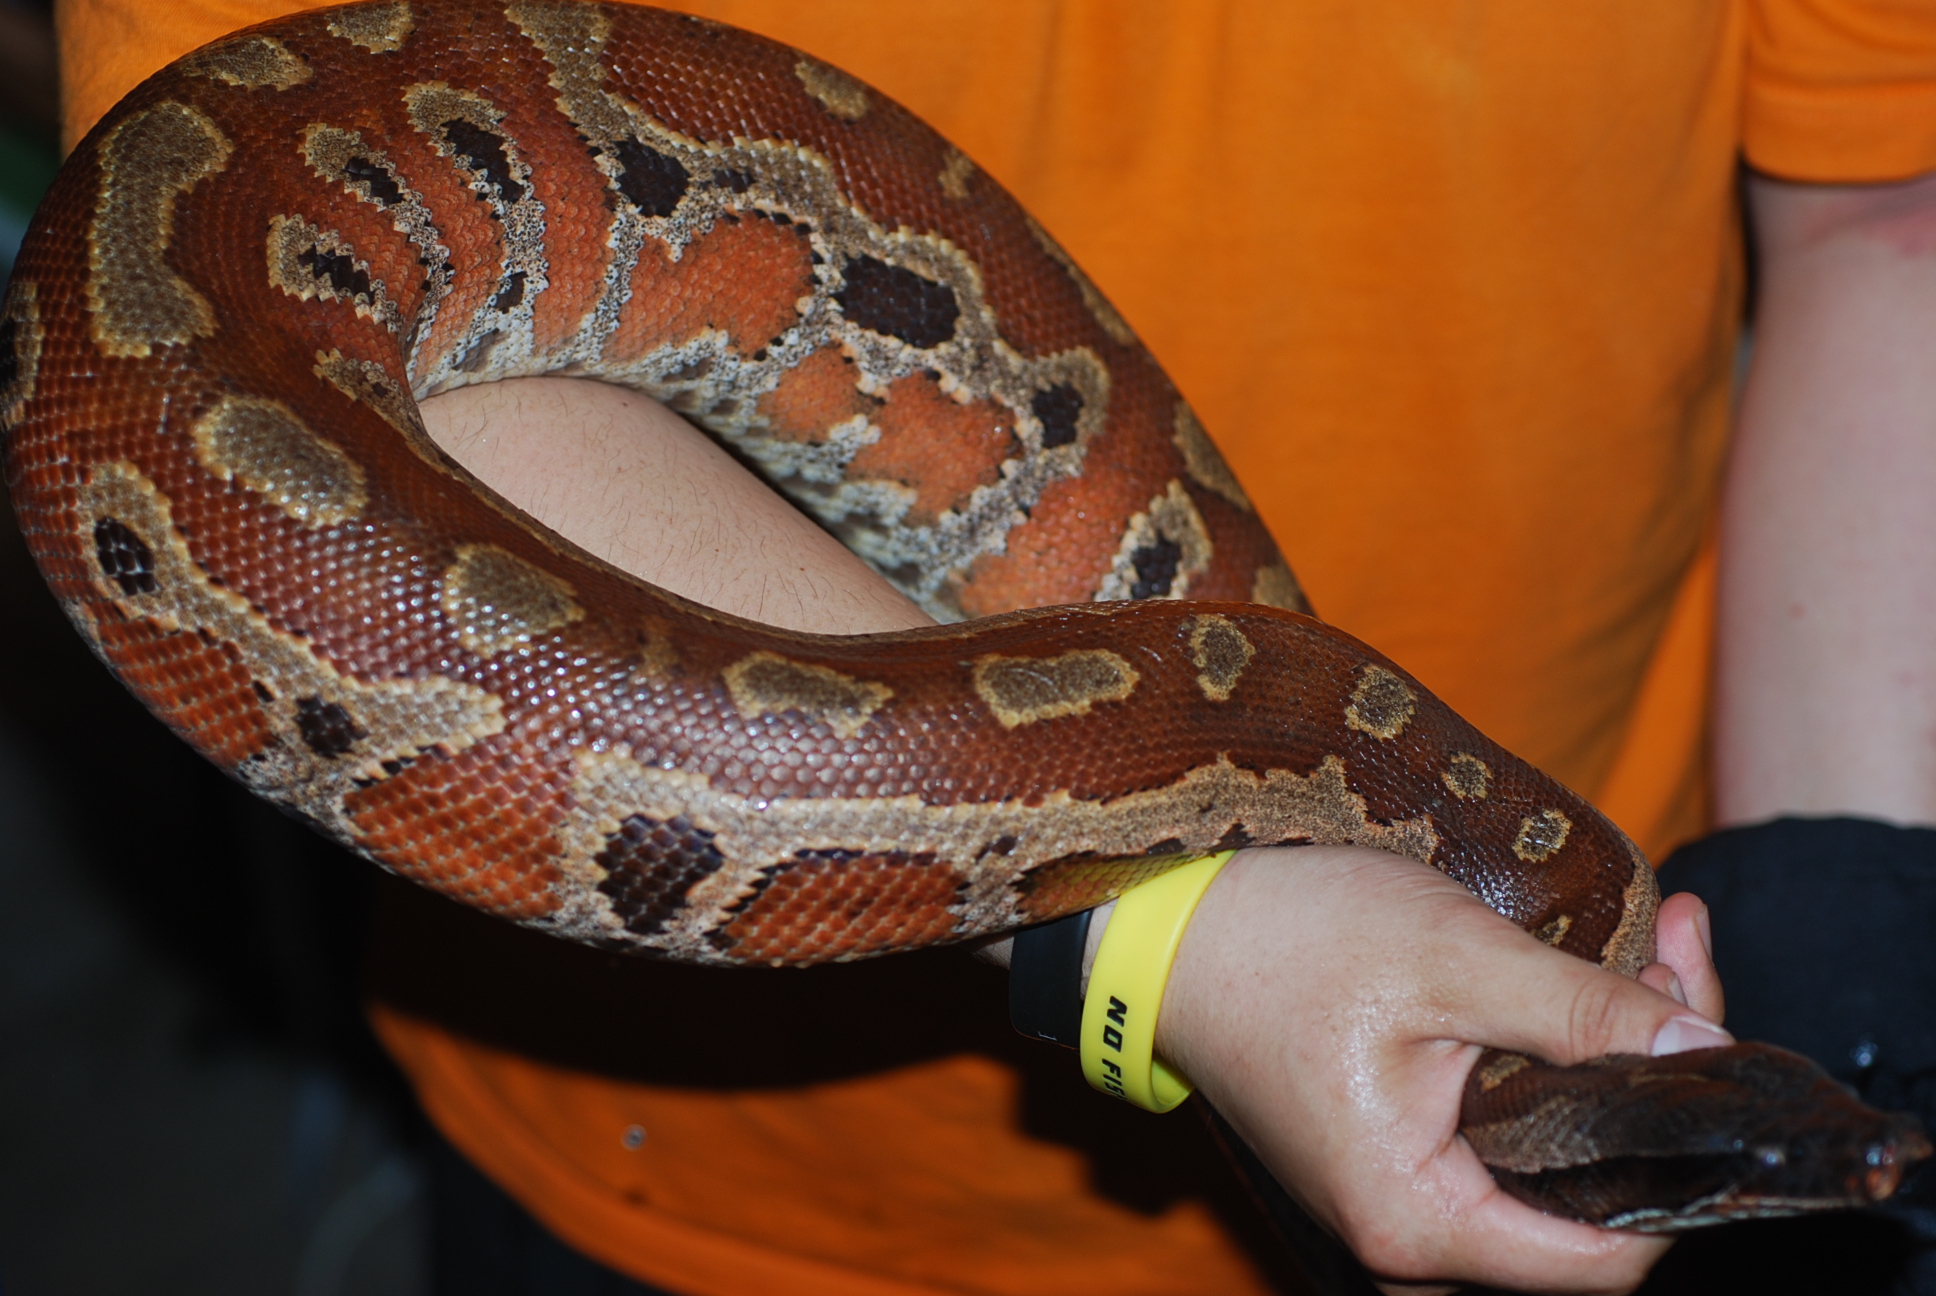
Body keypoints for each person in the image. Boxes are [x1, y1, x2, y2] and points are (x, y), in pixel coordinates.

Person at [50, 1, 1936, 1292]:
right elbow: (213, 342)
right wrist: (1174, 946)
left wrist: (1850, 917)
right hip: (727, 1198)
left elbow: (1883, 216)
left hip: (1652, 828)